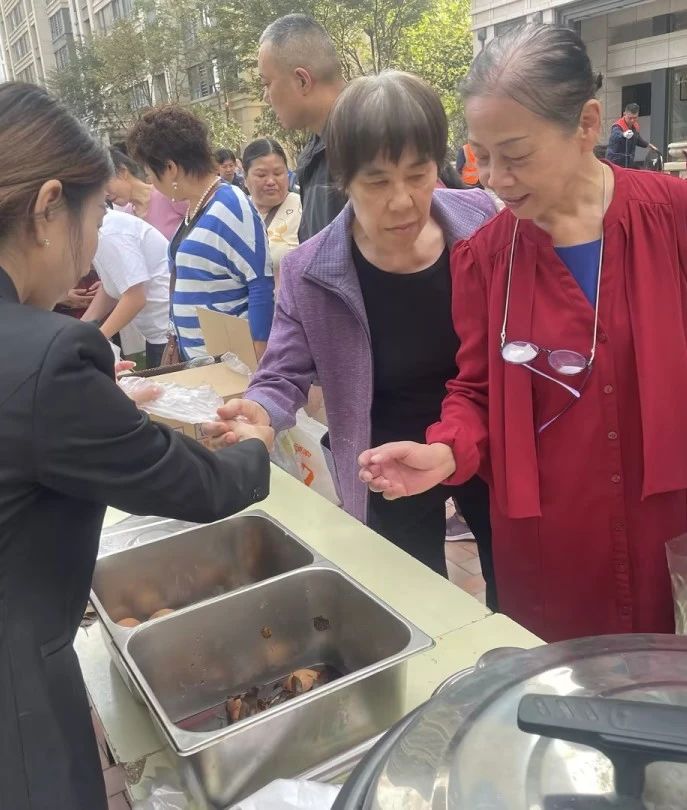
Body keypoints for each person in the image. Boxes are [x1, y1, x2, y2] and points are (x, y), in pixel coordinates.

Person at [359, 23, 687, 643]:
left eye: (517, 153)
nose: (496, 179)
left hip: (664, 527)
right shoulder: (487, 259)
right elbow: (476, 388)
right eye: (483, 156)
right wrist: (445, 450)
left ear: (587, 124)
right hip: (550, 548)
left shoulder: (669, 219)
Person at [0, 82, 273, 810]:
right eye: (95, 220)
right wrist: (256, 443)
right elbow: (192, 485)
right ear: (48, 207)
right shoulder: (46, 355)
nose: (92, 252)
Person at [205, 72, 496, 605]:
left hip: (487, 441)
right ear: (342, 178)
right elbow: (284, 372)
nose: (403, 201)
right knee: (414, 601)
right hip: (387, 462)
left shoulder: (485, 225)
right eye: (378, 182)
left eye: (418, 174)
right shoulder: (310, 269)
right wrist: (261, 411)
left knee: (516, 588)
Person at [127, 105, 274, 362]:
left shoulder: (230, 206)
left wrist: (258, 362)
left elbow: (260, 282)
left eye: (151, 173)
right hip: (202, 361)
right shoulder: (196, 207)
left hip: (232, 365)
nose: (151, 182)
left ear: (171, 168)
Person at [258, 14, 347, 241]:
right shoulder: (317, 149)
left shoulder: (372, 137)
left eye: (267, 84)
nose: (265, 97)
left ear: (302, 81)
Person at [81, 209, 170, 368]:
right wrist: (80, 329)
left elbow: (135, 298)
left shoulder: (106, 233)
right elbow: (113, 287)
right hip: (157, 334)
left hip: (166, 335)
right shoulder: (97, 230)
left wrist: (95, 341)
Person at [243, 138, 302, 285]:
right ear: (245, 178)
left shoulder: (304, 207)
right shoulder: (236, 210)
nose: (271, 181)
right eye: (261, 175)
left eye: (278, 173)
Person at [107, 149, 186, 240]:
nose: (105, 194)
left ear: (123, 172)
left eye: (105, 185)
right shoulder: (124, 216)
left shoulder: (167, 194)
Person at [606, 102, 658, 168]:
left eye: (635, 118)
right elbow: (615, 135)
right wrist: (623, 134)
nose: (632, 120)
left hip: (628, 161)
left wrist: (648, 145)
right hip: (615, 161)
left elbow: (637, 139)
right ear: (624, 114)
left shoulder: (635, 126)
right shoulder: (618, 126)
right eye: (630, 118)